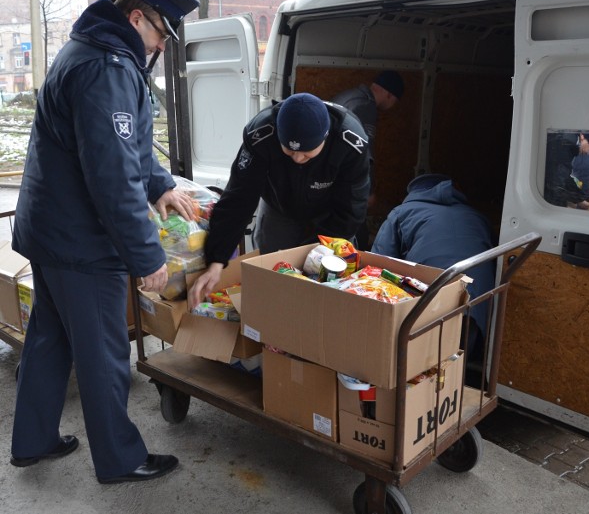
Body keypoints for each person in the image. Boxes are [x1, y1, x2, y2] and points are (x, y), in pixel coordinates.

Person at [10, 0, 199, 484]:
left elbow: (124, 147)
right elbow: (112, 176)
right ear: (137, 18)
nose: (162, 45)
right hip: (82, 243)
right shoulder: (108, 67)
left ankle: (33, 440)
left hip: (51, 233)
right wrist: (147, 257)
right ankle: (121, 459)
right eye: (161, 33)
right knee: (105, 357)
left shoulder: (91, 52)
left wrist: (159, 182)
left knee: (50, 338)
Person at [188, 92, 370, 306]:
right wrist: (217, 260)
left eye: (307, 153)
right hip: (279, 207)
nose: (298, 159)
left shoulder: (350, 142)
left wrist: (313, 257)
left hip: (330, 214)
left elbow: (351, 209)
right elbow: (238, 199)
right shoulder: (261, 135)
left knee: (325, 283)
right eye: (289, 152)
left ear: (326, 137)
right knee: (274, 280)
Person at [371, 174, 496, 365]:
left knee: (420, 366)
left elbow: (379, 262)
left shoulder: (402, 212)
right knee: (454, 364)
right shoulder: (478, 217)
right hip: (476, 304)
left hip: (430, 300)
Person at [332, 70, 405, 249]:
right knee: (356, 233)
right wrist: (369, 191)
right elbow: (364, 152)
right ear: (389, 94)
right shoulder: (366, 107)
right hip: (343, 178)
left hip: (328, 172)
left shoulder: (348, 96)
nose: (393, 106)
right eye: (394, 101)